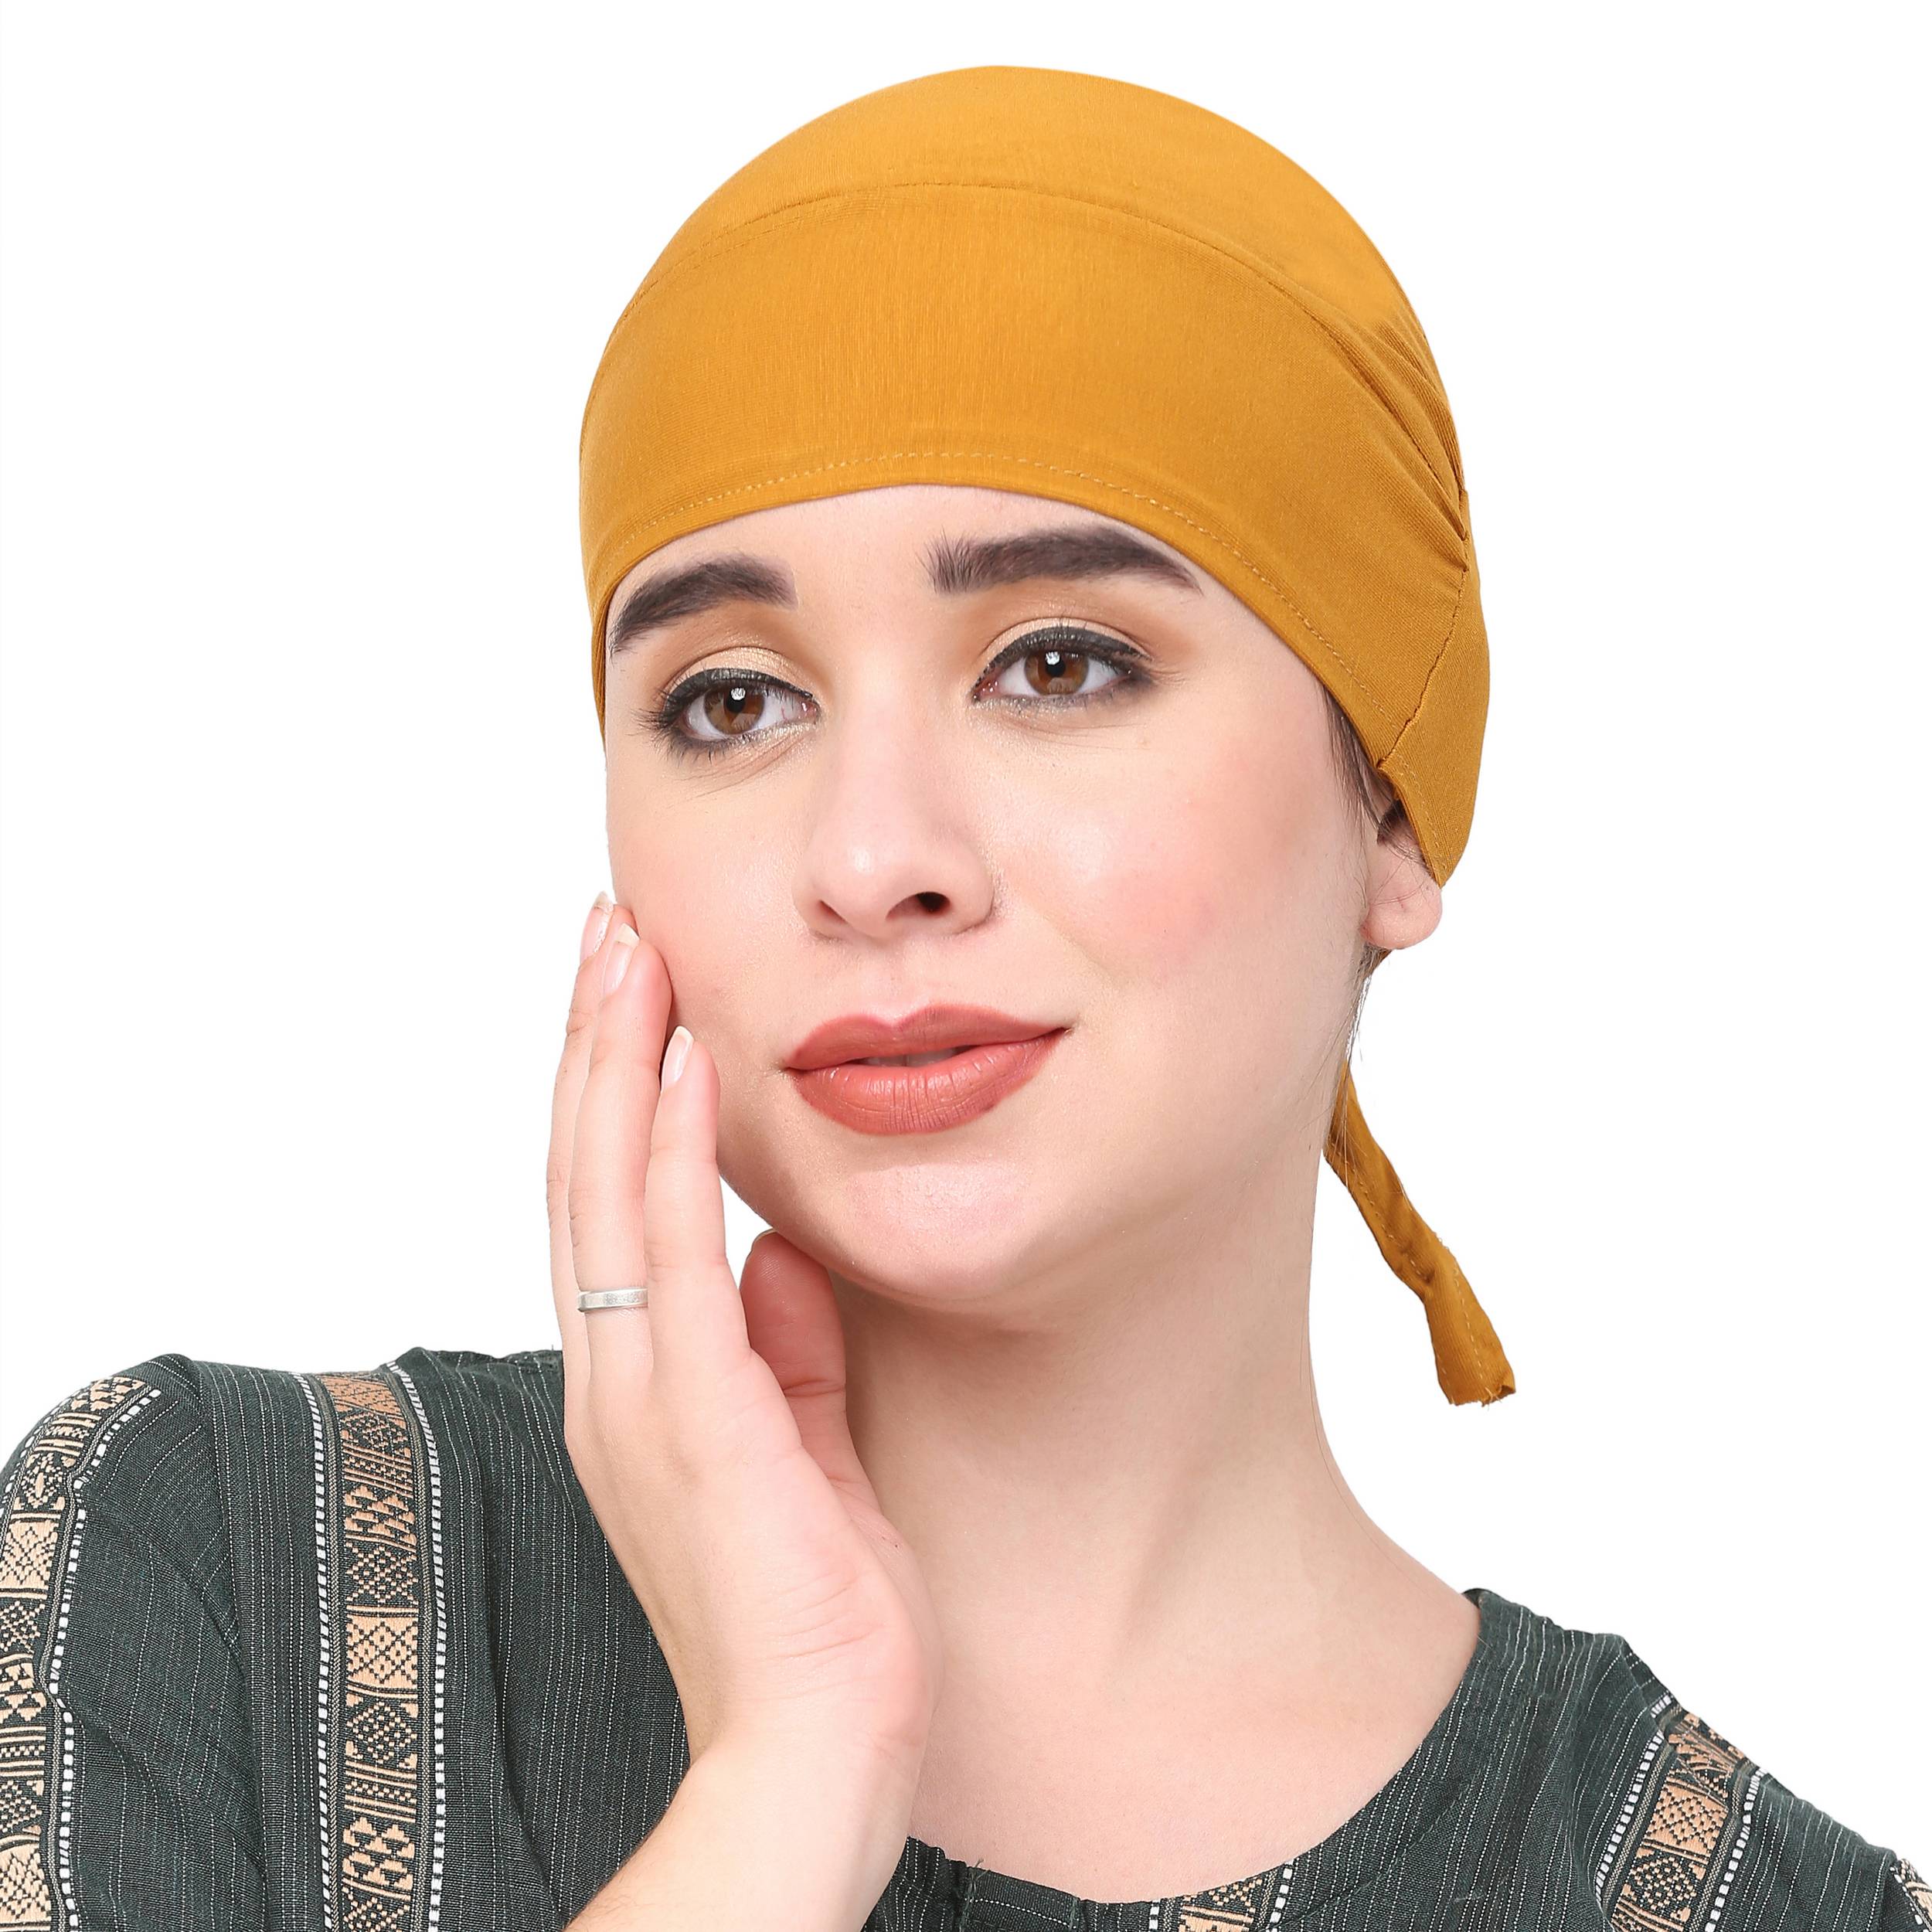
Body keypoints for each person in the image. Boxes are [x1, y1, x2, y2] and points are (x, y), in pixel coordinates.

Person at [2, 64, 1921, 1932]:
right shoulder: (205, 1572)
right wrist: (786, 1778)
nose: (870, 854)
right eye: (731, 700)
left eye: (1059, 663)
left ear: (1395, 811)